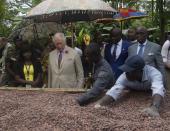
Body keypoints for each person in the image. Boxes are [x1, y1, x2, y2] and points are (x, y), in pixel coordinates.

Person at [95, 55, 165, 117]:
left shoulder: (154, 74)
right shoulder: (124, 76)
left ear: (139, 70)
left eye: (129, 70)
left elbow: (158, 89)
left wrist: (154, 108)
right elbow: (114, 91)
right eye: (126, 70)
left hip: (149, 94)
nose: (126, 73)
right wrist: (100, 104)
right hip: (133, 93)